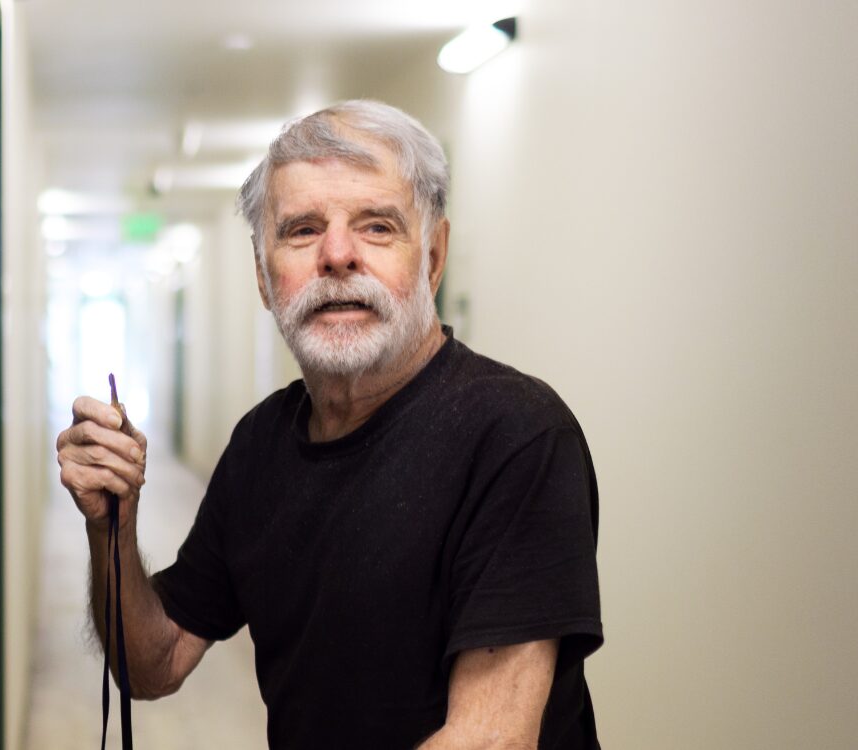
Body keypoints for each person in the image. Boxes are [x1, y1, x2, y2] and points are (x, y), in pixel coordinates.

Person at [55, 99, 603, 749]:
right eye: (303, 230)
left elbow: (490, 740)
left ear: (432, 257)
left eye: (376, 227)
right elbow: (155, 661)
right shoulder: (261, 444)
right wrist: (110, 527)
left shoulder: (517, 436)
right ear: (264, 275)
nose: (338, 255)